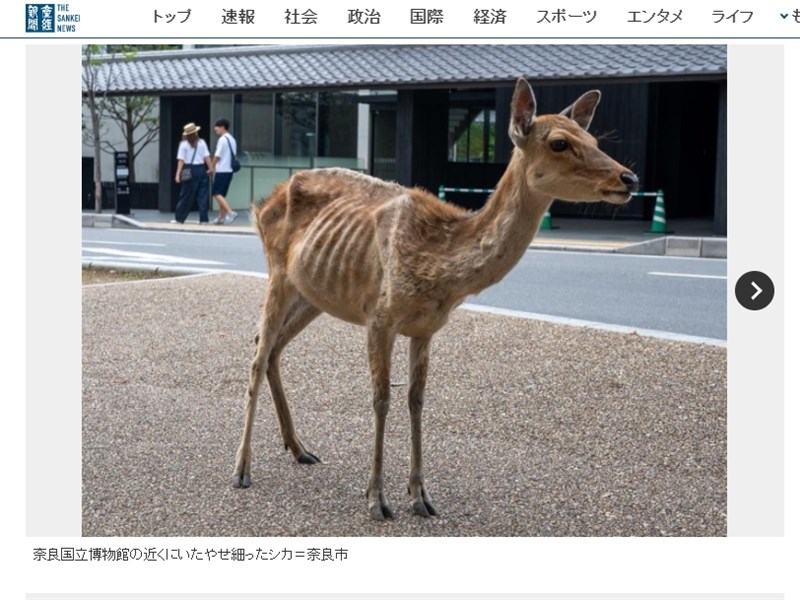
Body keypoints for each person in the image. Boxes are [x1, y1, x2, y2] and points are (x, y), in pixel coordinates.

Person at [173, 122, 213, 224]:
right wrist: (211, 169)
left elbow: (181, 160)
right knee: (202, 196)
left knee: (186, 194)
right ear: (196, 133)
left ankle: (180, 218)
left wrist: (177, 174)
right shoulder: (202, 143)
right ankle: (203, 219)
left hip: (189, 169)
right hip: (201, 169)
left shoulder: (183, 144)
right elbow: (207, 157)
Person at [210, 117, 239, 225]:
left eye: (217, 128)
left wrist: (211, 167)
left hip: (222, 170)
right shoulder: (232, 139)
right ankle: (220, 218)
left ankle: (230, 212)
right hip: (229, 170)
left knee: (216, 193)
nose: (216, 130)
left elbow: (217, 156)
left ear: (222, 127)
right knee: (221, 194)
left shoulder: (222, 140)